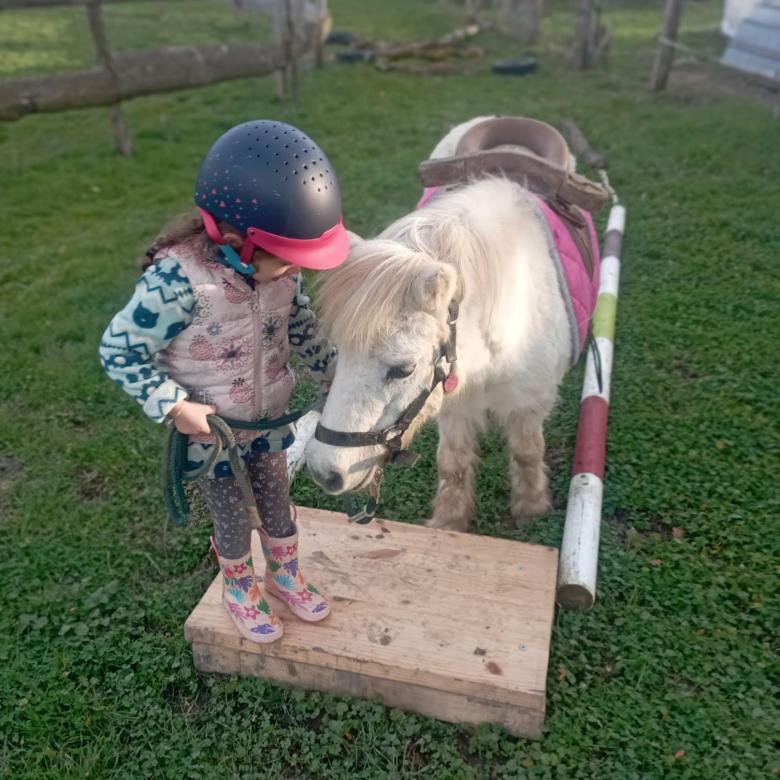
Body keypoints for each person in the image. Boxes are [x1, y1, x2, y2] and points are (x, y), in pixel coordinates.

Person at [99, 120, 349, 643]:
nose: (290, 274)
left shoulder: (279, 270)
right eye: (285, 263)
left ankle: (284, 574)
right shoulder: (176, 282)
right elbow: (119, 349)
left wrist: (335, 373)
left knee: (277, 500)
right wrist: (173, 406)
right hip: (214, 435)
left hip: (268, 425)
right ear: (238, 242)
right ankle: (238, 584)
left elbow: (300, 325)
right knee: (232, 513)